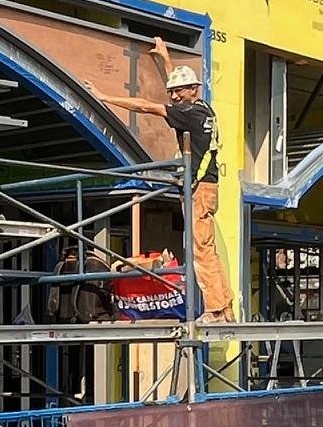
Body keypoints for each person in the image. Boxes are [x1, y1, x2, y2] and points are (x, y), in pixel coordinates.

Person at [89, 37, 235, 321]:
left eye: (180, 91)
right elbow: (179, 86)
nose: (175, 96)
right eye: (173, 92)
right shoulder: (203, 107)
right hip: (207, 187)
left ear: (193, 90)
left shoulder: (187, 113)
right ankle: (225, 307)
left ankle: (216, 309)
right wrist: (166, 57)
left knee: (201, 252)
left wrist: (106, 97)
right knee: (208, 249)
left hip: (198, 188)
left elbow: (146, 106)